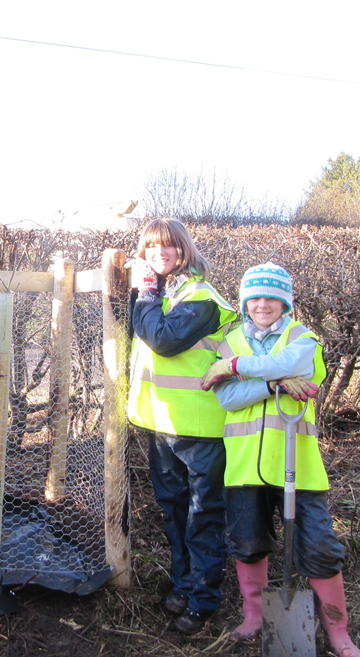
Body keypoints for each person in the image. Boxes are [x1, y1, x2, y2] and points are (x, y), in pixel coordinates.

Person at [201, 262, 360, 657]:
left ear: (285, 303)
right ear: (244, 302)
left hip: (300, 468)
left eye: (271, 298)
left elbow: (292, 365)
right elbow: (228, 398)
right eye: (254, 297)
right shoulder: (230, 341)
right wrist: (273, 384)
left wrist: (237, 368)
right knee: (248, 542)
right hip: (244, 467)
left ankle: (339, 634)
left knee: (320, 547)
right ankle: (255, 617)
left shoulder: (302, 338)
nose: (262, 305)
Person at [125, 218, 239, 634]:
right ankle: (183, 584)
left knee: (202, 514)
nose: (159, 253)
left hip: (200, 429)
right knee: (174, 511)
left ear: (183, 249)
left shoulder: (200, 297)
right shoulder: (162, 294)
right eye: (150, 247)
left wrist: (146, 291)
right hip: (162, 424)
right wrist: (139, 290)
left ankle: (203, 600)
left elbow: (163, 340)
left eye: (167, 245)